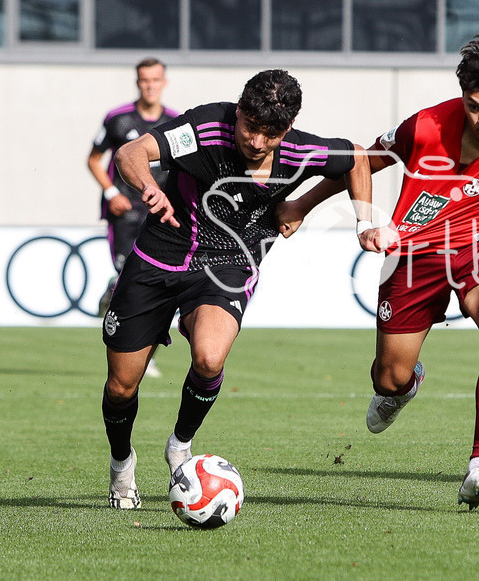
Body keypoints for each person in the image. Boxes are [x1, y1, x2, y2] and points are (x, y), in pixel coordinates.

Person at [278, 31, 479, 509]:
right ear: (462, 96)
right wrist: (302, 204)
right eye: (474, 107)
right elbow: (361, 162)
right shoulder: (423, 126)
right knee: (388, 378)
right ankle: (407, 384)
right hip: (414, 255)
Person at [102, 69, 382, 509]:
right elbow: (131, 152)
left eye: (270, 134)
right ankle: (122, 463)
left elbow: (357, 158)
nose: (256, 141)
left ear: (288, 128)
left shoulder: (299, 149)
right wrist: (149, 186)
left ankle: (180, 446)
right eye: (250, 127)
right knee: (121, 387)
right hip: (158, 259)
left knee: (209, 358)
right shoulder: (204, 129)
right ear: (239, 112)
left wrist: (338, 215)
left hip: (229, 263)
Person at [88, 58, 178, 378]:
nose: (150, 85)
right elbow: (94, 160)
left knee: (159, 283)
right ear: (137, 82)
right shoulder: (118, 119)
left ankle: (146, 352)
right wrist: (112, 193)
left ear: (164, 82)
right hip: (125, 212)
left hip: (159, 212)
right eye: (144, 80)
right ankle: (116, 299)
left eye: (155, 79)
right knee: (130, 278)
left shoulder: (175, 123)